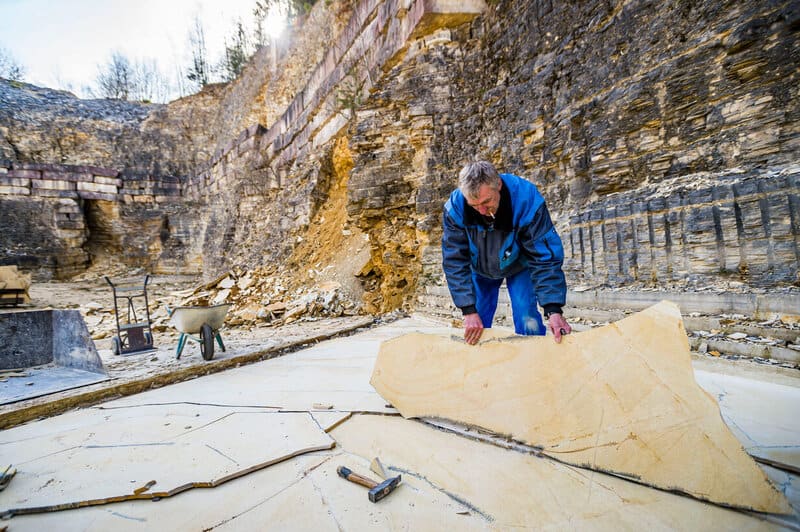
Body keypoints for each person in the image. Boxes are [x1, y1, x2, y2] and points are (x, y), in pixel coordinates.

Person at [442, 160, 571, 345]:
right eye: (474, 205)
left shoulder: (526, 199)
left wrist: (553, 310)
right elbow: (454, 260)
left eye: (487, 202)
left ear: (499, 185)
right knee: (476, 322)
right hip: (479, 267)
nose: (482, 211)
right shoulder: (455, 207)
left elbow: (545, 256)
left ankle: (532, 356)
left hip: (520, 264)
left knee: (527, 315)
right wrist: (468, 310)